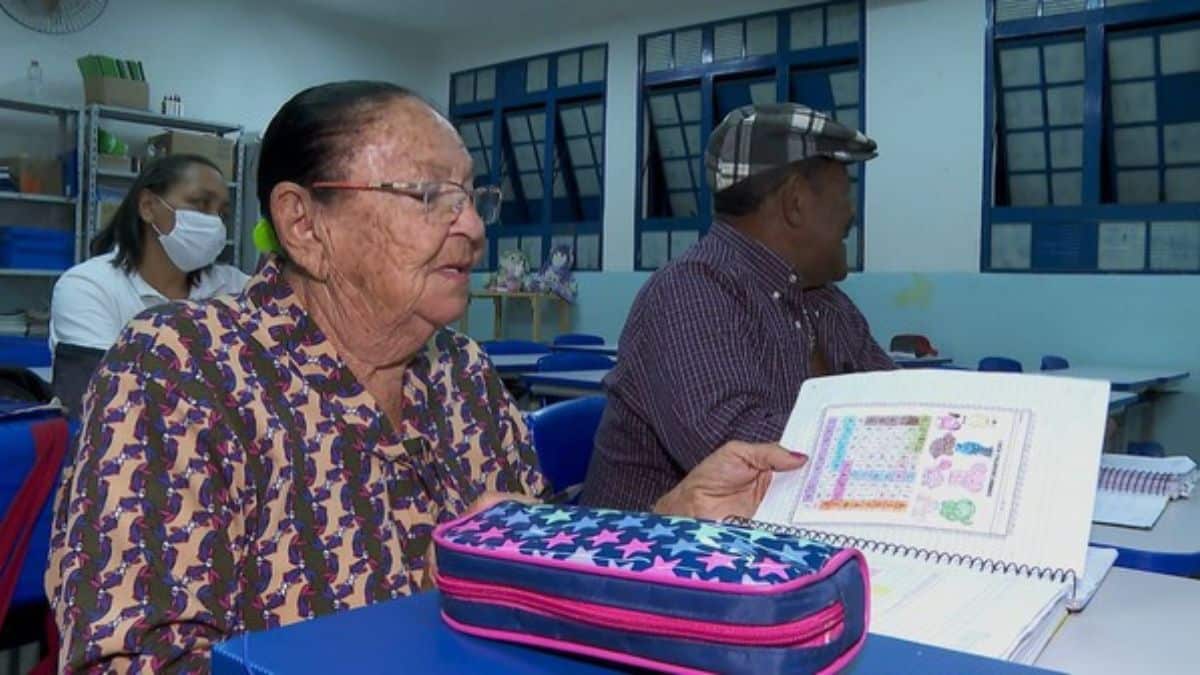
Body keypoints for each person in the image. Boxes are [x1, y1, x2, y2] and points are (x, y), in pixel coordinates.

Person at [45, 81, 807, 673]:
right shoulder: (182, 370)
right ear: (306, 225)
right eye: (428, 196)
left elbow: (533, 587)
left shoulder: (465, 378)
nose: (472, 227)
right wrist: (433, 598)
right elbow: (133, 658)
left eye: (472, 196)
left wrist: (669, 520)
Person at [582, 103, 895, 512]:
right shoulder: (691, 293)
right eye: (844, 191)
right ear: (796, 202)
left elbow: (899, 403)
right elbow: (757, 464)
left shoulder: (825, 303)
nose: (851, 211)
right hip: (653, 566)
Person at [48, 154, 248, 414]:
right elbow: (102, 401)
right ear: (148, 206)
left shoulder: (233, 285)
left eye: (222, 213)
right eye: (200, 204)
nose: (215, 223)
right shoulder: (89, 286)